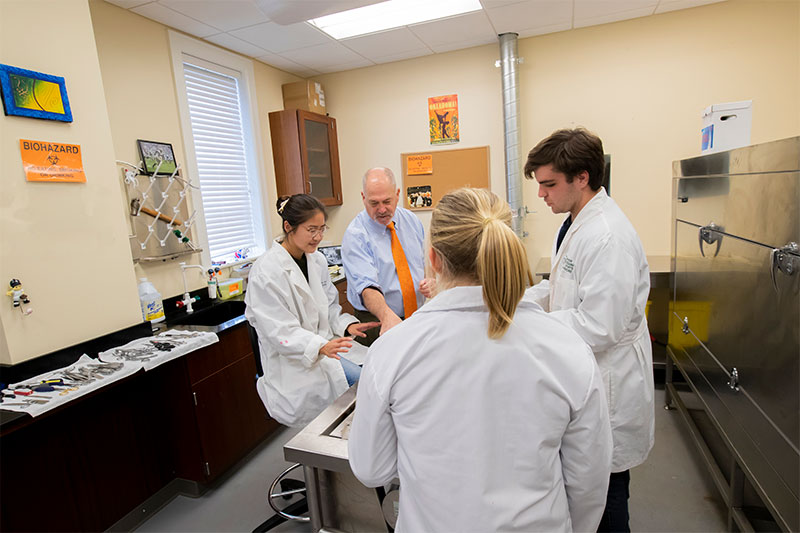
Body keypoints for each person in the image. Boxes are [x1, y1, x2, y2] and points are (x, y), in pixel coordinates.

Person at [348, 188, 613, 533]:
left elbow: (371, 469)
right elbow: (588, 480)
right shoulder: (566, 348)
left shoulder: (394, 351)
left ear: (434, 259)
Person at [524, 128, 655, 532]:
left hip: (610, 384)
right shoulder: (577, 221)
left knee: (607, 497)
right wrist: (514, 300)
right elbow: (562, 289)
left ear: (581, 177)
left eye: (549, 184)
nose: (541, 195)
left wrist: (530, 325)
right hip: (585, 375)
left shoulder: (607, 237)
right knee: (587, 486)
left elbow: (600, 326)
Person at [245, 194, 379, 428]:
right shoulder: (266, 272)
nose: (318, 237)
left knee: (377, 371)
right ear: (289, 227)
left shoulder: (316, 260)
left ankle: (359, 445)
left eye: (322, 229)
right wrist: (319, 346)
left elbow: (328, 308)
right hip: (296, 360)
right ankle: (347, 452)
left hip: (326, 347)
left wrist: (345, 326)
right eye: (311, 230)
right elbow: (278, 332)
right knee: (365, 388)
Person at [341, 167, 434, 346]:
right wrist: (386, 317)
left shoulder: (411, 220)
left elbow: (426, 262)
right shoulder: (356, 235)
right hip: (379, 320)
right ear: (363, 198)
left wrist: (431, 281)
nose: (382, 209)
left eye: (387, 201)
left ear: (397, 194)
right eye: (374, 203)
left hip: (416, 315)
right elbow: (367, 288)